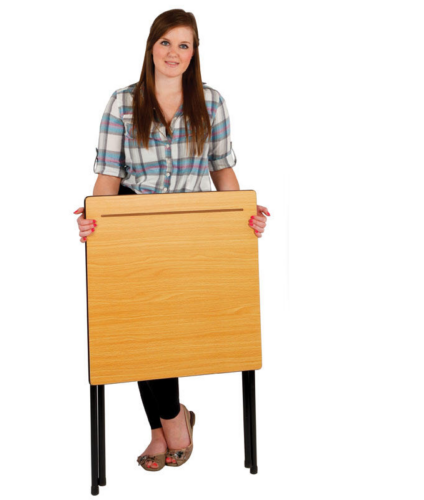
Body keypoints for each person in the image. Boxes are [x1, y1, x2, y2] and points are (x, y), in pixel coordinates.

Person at [73, 8, 270, 472]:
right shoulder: (122, 102)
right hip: (131, 223)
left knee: (171, 328)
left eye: (184, 45)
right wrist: (93, 223)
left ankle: (163, 428)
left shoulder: (211, 101)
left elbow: (221, 167)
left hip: (189, 227)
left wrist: (242, 215)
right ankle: (173, 419)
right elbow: (107, 175)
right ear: (151, 47)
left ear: (194, 53)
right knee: (139, 330)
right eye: (166, 43)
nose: (174, 53)